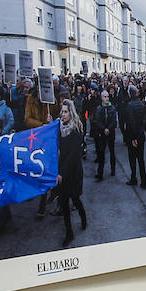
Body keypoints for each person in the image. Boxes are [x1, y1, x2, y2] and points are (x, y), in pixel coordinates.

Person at [55, 100, 87, 247]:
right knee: (64, 203)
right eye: (62, 111)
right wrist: (50, 125)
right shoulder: (59, 127)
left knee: (75, 199)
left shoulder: (77, 129)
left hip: (73, 171)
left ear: (71, 112)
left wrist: (62, 173)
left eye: (66, 111)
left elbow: (73, 155)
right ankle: (69, 232)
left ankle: (83, 216)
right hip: (61, 170)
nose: (63, 114)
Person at [91, 90, 119, 181]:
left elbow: (114, 121)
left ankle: (113, 169)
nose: (107, 98)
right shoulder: (99, 108)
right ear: (102, 98)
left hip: (111, 133)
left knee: (112, 151)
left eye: (107, 96)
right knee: (101, 153)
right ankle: (100, 173)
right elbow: (97, 121)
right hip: (102, 134)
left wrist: (109, 129)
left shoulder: (112, 108)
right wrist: (103, 129)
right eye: (105, 97)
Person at [123, 88, 146, 189]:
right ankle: (143, 181)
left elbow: (131, 123)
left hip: (133, 136)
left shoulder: (130, 106)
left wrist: (133, 138)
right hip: (141, 134)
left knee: (133, 159)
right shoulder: (141, 104)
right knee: (141, 159)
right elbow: (143, 120)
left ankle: (134, 179)